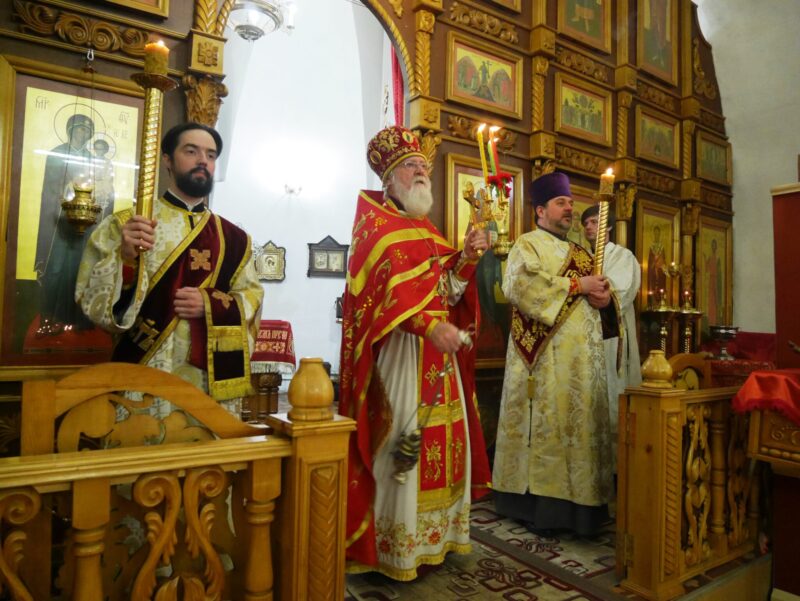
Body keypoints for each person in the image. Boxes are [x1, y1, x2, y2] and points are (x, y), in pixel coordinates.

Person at [338, 125, 492, 581]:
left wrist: (465, 258)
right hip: (402, 358)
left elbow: (447, 290)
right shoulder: (376, 230)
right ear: (389, 178)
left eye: (424, 166)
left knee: (444, 444)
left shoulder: (426, 228)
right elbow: (385, 303)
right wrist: (429, 326)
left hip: (440, 357)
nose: (422, 172)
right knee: (402, 443)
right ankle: (396, 550)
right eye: (411, 166)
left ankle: (439, 540)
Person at [76, 122, 264, 414]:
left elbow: (252, 297)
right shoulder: (128, 224)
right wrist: (125, 258)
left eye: (211, 155)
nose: (203, 160)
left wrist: (210, 303)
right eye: (191, 151)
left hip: (206, 381)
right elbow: (93, 302)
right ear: (167, 159)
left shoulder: (235, 239)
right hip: (143, 371)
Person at [492, 171, 616, 537]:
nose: (569, 209)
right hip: (545, 364)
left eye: (571, 203)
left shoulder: (583, 253)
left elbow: (602, 298)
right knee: (549, 428)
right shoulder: (527, 244)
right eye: (561, 203)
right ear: (541, 210)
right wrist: (579, 284)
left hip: (583, 368)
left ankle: (584, 510)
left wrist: (605, 298)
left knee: (579, 432)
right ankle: (541, 509)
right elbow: (520, 286)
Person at [582, 204, 642, 471]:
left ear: (607, 226)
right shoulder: (581, 257)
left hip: (612, 339)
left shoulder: (622, 257)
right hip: (585, 341)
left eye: (594, 222)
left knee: (613, 394)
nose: (589, 227)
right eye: (585, 223)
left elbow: (619, 292)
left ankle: (618, 471)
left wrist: (594, 292)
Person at [35, 113, 99, 335]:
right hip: (59, 222)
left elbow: (100, 186)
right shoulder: (57, 154)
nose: (84, 133)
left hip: (85, 222)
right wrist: (66, 191)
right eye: (81, 129)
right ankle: (49, 317)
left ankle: (76, 319)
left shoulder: (92, 158)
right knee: (55, 268)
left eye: (88, 131)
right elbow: (50, 187)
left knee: (79, 269)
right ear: (70, 130)